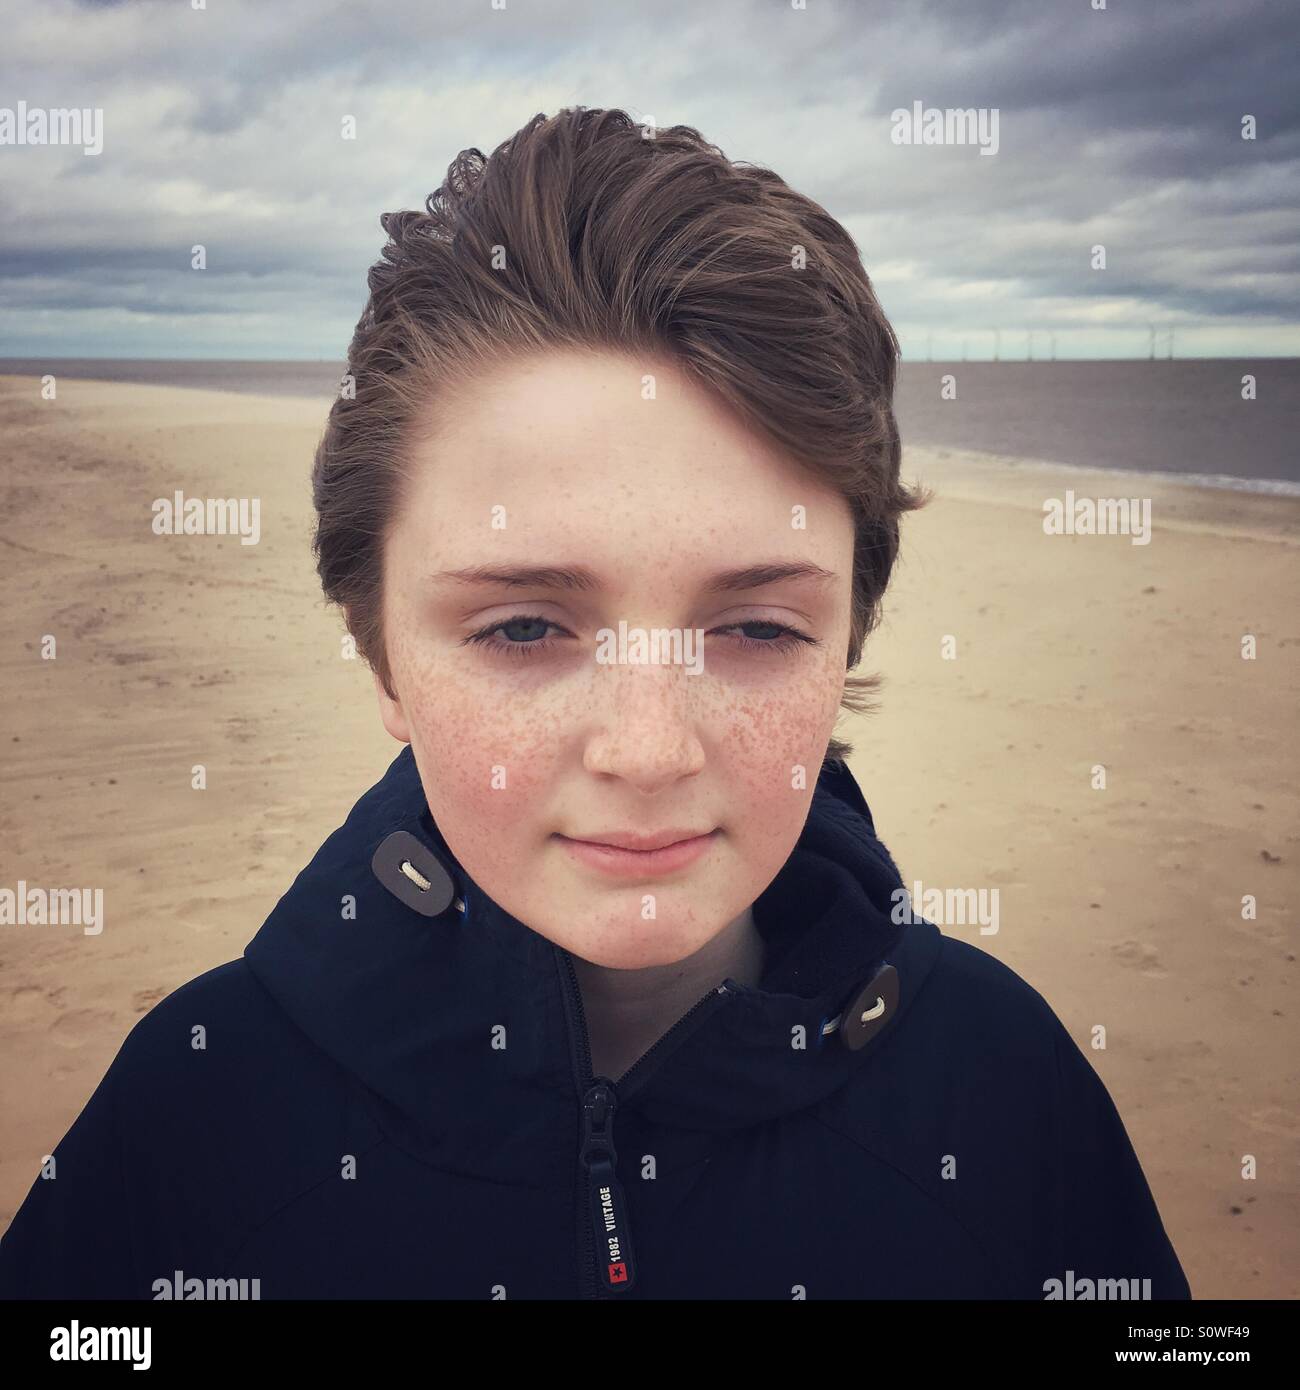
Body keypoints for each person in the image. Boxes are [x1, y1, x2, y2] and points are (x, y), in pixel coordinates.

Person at [0, 107, 1190, 1300]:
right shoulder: (193, 1115)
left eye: (756, 628)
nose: (647, 749)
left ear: (845, 641)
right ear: (382, 661)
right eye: (524, 627)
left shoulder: (1007, 1094)